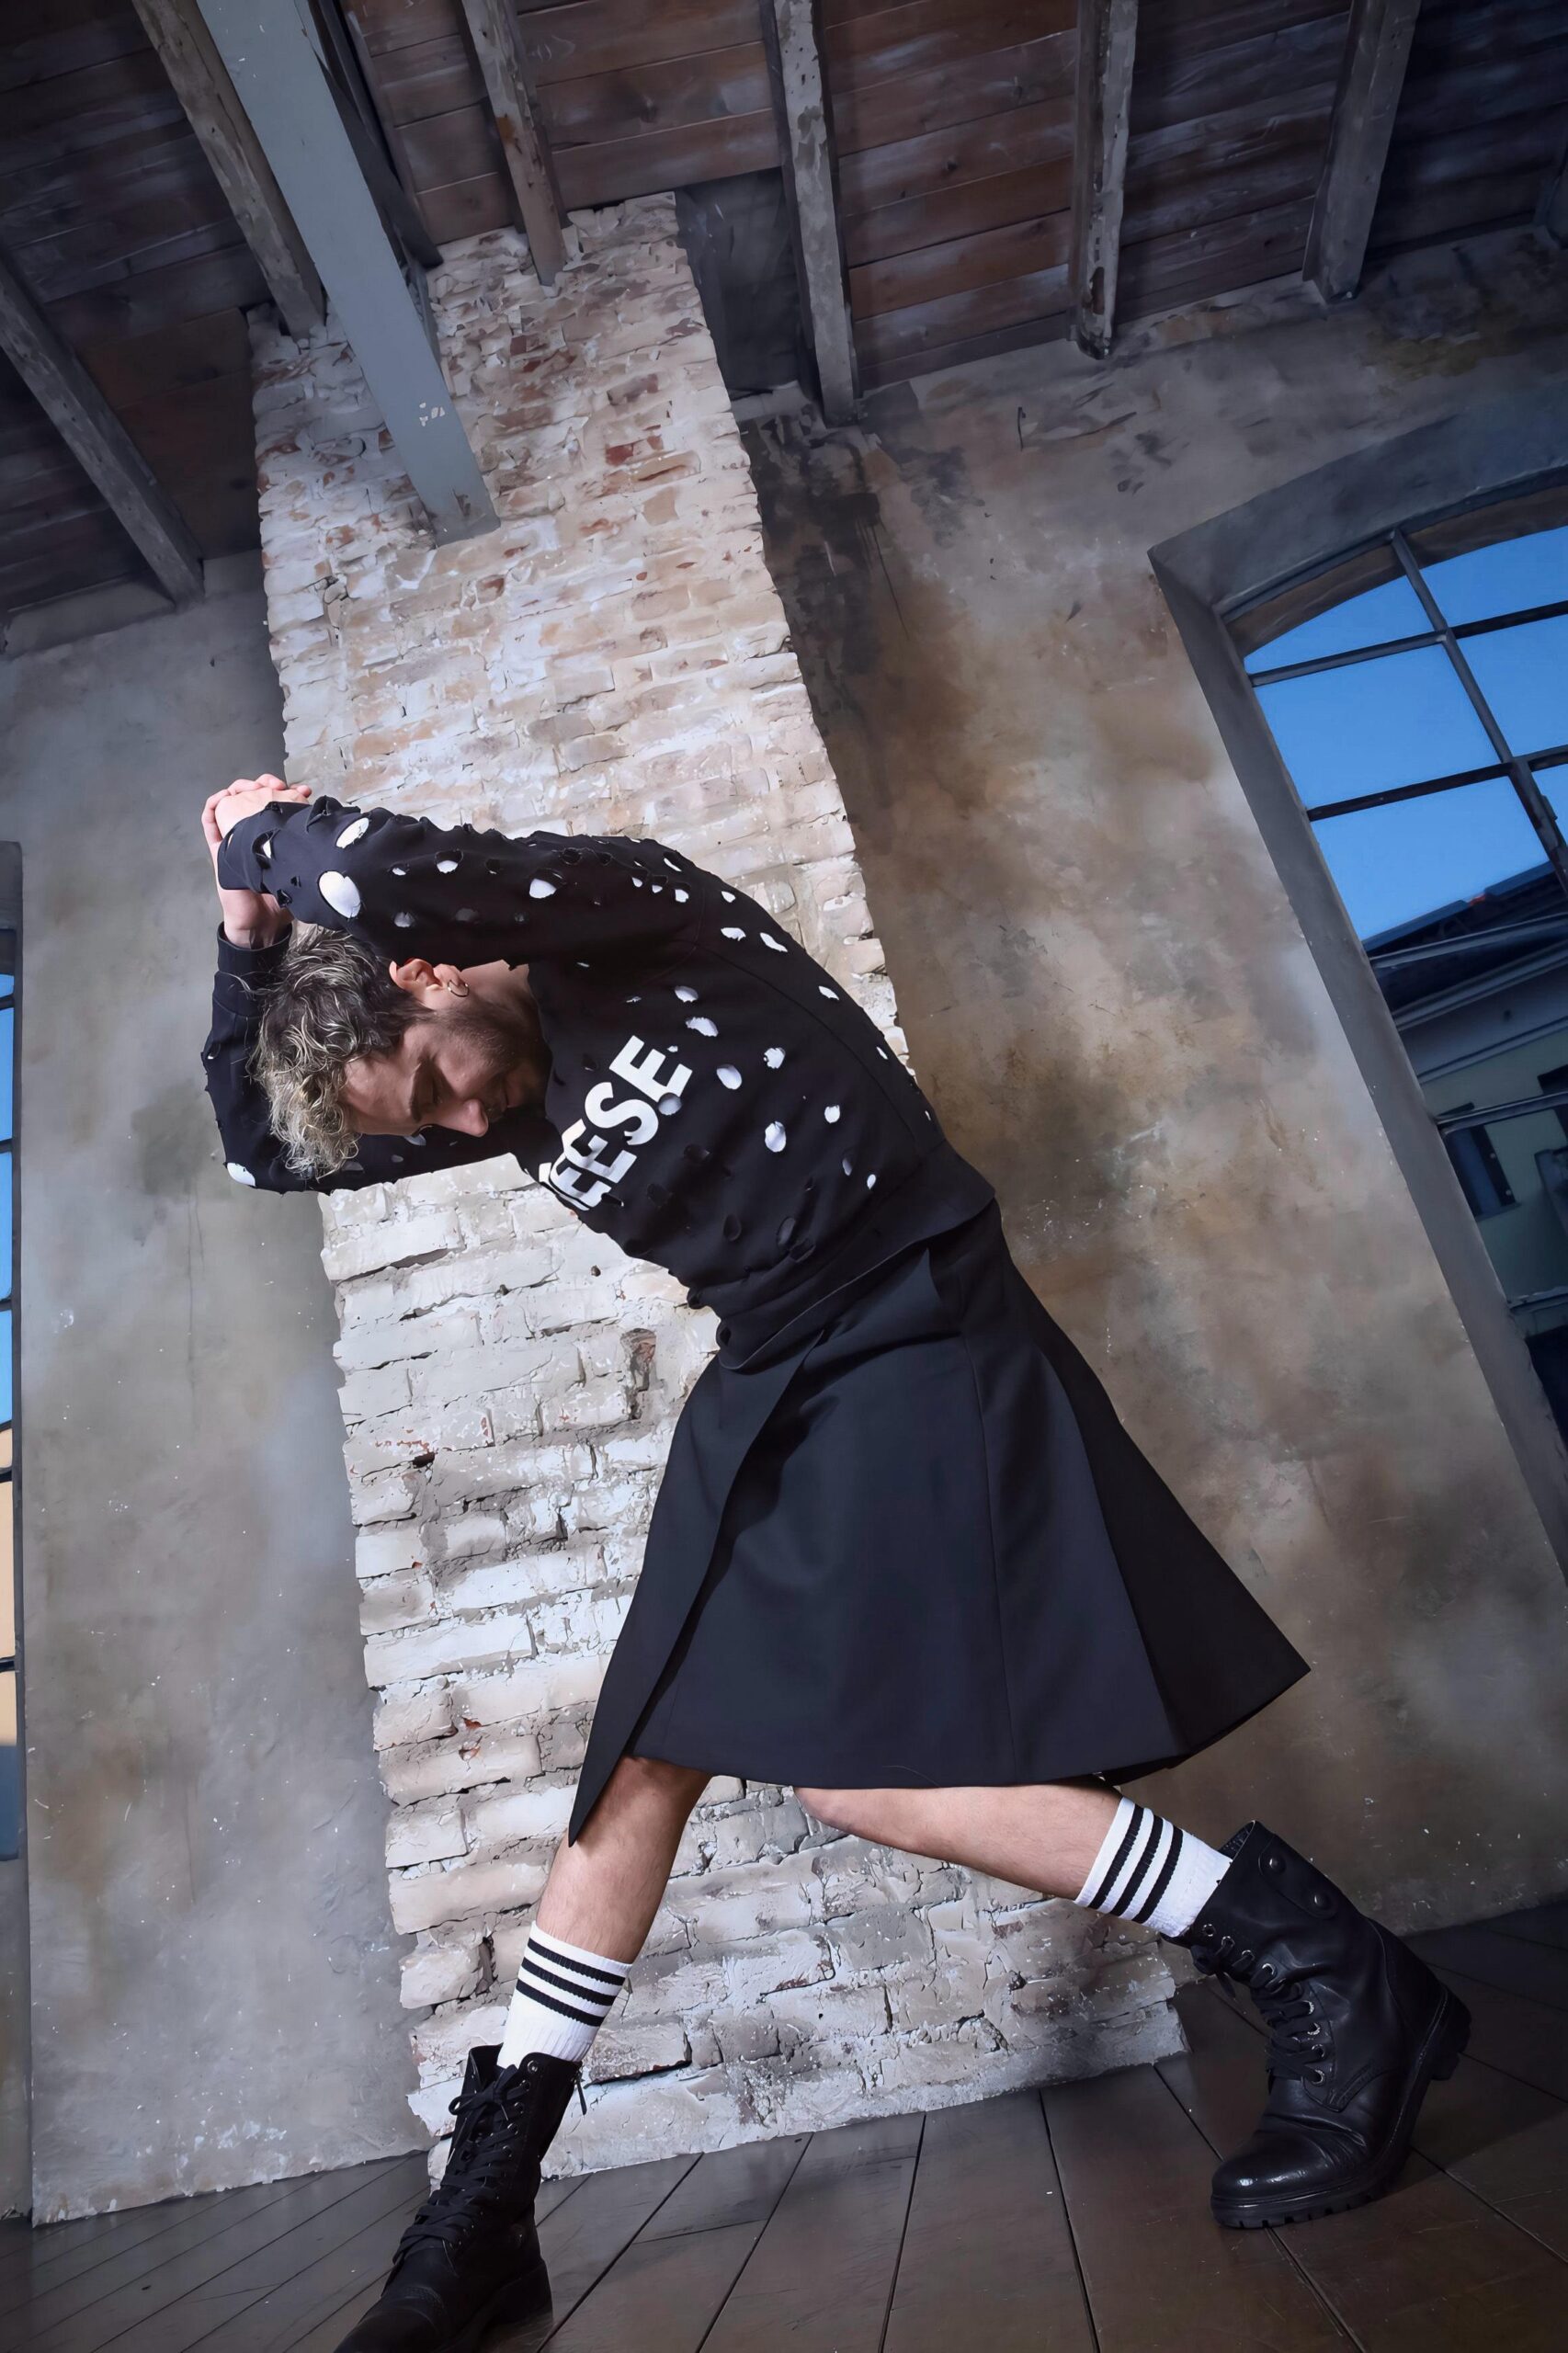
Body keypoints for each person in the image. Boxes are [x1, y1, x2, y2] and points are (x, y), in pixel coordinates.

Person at [200, 776, 1469, 2351]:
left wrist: (256, 838)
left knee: (863, 1781)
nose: (467, 1127)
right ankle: (489, 2213)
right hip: (775, 1368)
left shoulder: (628, 917)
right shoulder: (493, 1093)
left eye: (440, 1089)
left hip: (911, 1313)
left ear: (428, 971)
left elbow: (390, 865)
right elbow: (260, 1150)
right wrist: (241, 945)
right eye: (433, 1130)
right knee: (635, 1763)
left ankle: (1331, 1972)